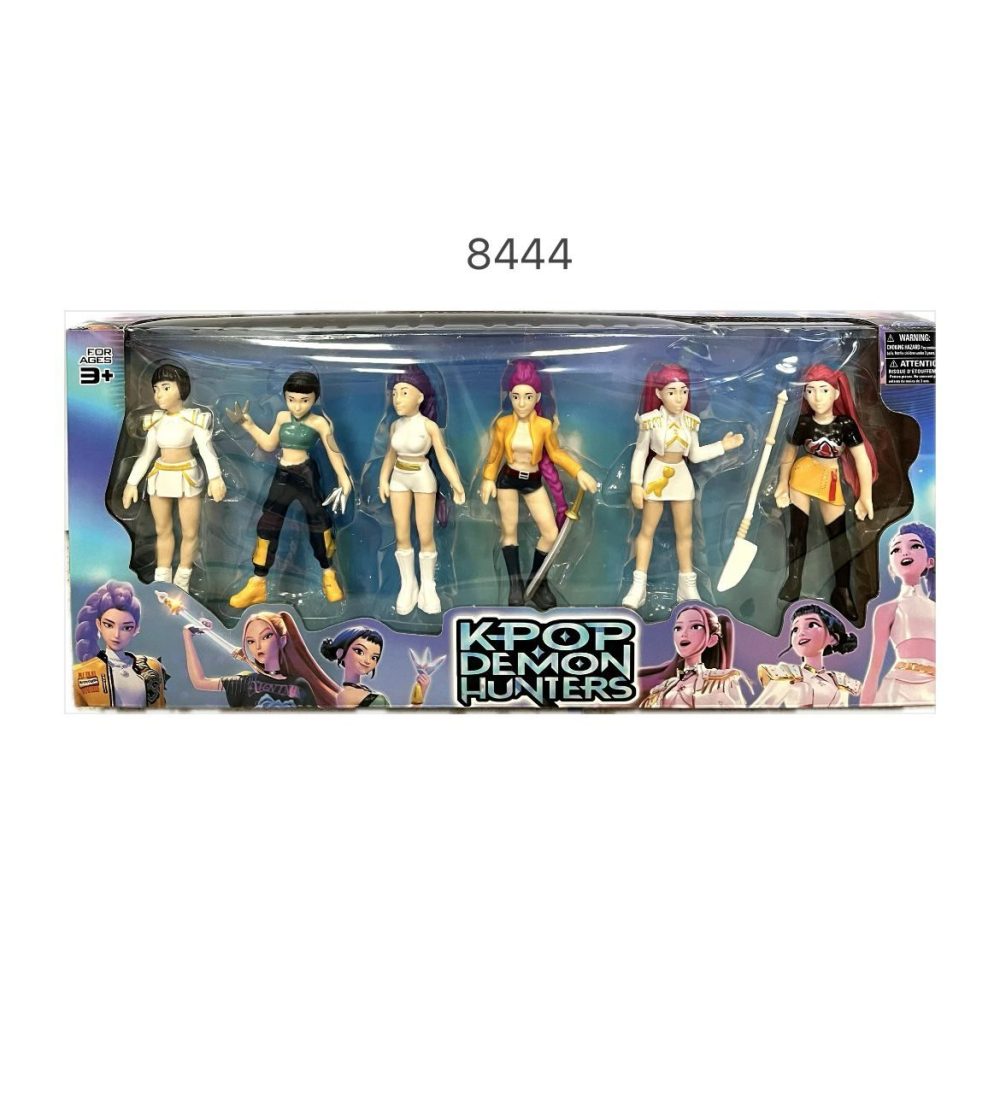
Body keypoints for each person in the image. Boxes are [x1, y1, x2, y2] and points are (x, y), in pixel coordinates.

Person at [227, 371, 352, 607]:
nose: (297, 406)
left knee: (319, 522)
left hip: (306, 474)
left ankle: (329, 575)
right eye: (291, 399)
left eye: (304, 400)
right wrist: (247, 424)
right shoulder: (282, 417)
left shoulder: (319, 422)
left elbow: (333, 450)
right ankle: (257, 583)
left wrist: (344, 479)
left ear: (314, 398)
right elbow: (269, 444)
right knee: (268, 523)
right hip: (283, 474)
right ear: (285, 397)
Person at [623, 363, 743, 609]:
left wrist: (722, 446)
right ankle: (638, 586)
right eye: (672, 392)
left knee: (686, 533)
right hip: (656, 475)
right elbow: (640, 453)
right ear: (659, 394)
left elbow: (695, 455)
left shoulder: (691, 422)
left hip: (681, 477)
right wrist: (636, 484)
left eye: (684, 391)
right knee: (647, 531)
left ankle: (687, 586)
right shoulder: (650, 421)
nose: (679, 398)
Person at [480, 359, 598, 609]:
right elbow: (494, 455)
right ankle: (515, 586)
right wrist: (488, 478)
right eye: (516, 397)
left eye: (528, 397)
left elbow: (556, 454)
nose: (522, 403)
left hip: (532, 481)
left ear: (537, 397)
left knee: (550, 533)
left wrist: (578, 472)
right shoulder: (503, 424)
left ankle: (537, 582)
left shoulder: (544, 426)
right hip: (507, 479)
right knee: (509, 531)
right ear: (510, 397)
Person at [774, 363, 877, 621]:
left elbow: (862, 459)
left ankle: (842, 590)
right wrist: (782, 483)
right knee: (798, 531)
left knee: (839, 537)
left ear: (836, 393)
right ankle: (794, 580)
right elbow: (788, 454)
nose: (817, 397)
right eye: (810, 390)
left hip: (829, 479)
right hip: (802, 475)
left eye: (823, 390)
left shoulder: (845, 425)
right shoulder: (803, 423)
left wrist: (866, 495)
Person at [121, 362, 226, 592]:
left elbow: (207, 450)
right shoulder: (155, 421)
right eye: (156, 389)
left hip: (187, 477)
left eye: (166, 387)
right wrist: (131, 483)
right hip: (160, 478)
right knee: (162, 530)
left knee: (190, 532)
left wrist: (216, 478)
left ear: (181, 388)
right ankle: (162, 579)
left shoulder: (193, 419)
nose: (159, 394)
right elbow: (146, 455)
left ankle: (183, 580)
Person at [378, 368, 465, 615]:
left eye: (404, 392)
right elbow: (390, 456)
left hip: (422, 477)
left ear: (420, 397)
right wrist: (383, 480)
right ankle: (408, 584)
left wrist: (456, 484)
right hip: (399, 478)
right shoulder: (395, 426)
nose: (397, 398)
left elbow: (443, 457)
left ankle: (428, 586)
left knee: (425, 534)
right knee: (401, 533)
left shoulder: (429, 426)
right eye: (395, 393)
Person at [183, 610, 338, 709]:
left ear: (282, 640)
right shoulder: (245, 682)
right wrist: (187, 636)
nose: (257, 646)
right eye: (250, 641)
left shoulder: (299, 685)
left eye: (266, 637)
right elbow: (199, 682)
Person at [860, 522, 936, 705]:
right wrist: (863, 711)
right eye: (896, 549)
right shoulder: (887, 610)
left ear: (930, 561)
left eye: (915, 546)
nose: (905, 552)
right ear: (891, 567)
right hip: (897, 690)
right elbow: (874, 668)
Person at [73, 580, 167, 708]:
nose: (116, 635)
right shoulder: (79, 673)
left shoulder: (151, 666)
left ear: (136, 629)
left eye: (126, 628)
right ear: (99, 625)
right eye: (109, 625)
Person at [751, 603, 860, 708]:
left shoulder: (840, 681)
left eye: (812, 625)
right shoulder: (788, 674)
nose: (801, 633)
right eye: (795, 629)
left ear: (832, 638)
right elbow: (760, 710)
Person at [638, 604, 747, 708]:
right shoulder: (663, 688)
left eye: (695, 627)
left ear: (712, 640)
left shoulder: (723, 682)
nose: (683, 634)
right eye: (678, 628)